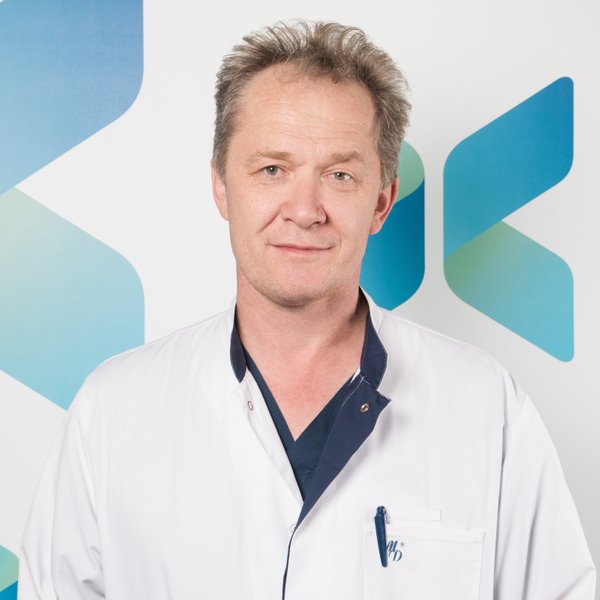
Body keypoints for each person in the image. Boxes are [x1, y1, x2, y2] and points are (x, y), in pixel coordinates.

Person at [18, 20, 595, 600]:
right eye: (272, 169)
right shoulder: (113, 412)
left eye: (340, 175)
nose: (304, 209)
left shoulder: (486, 407)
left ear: (382, 201)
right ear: (221, 186)